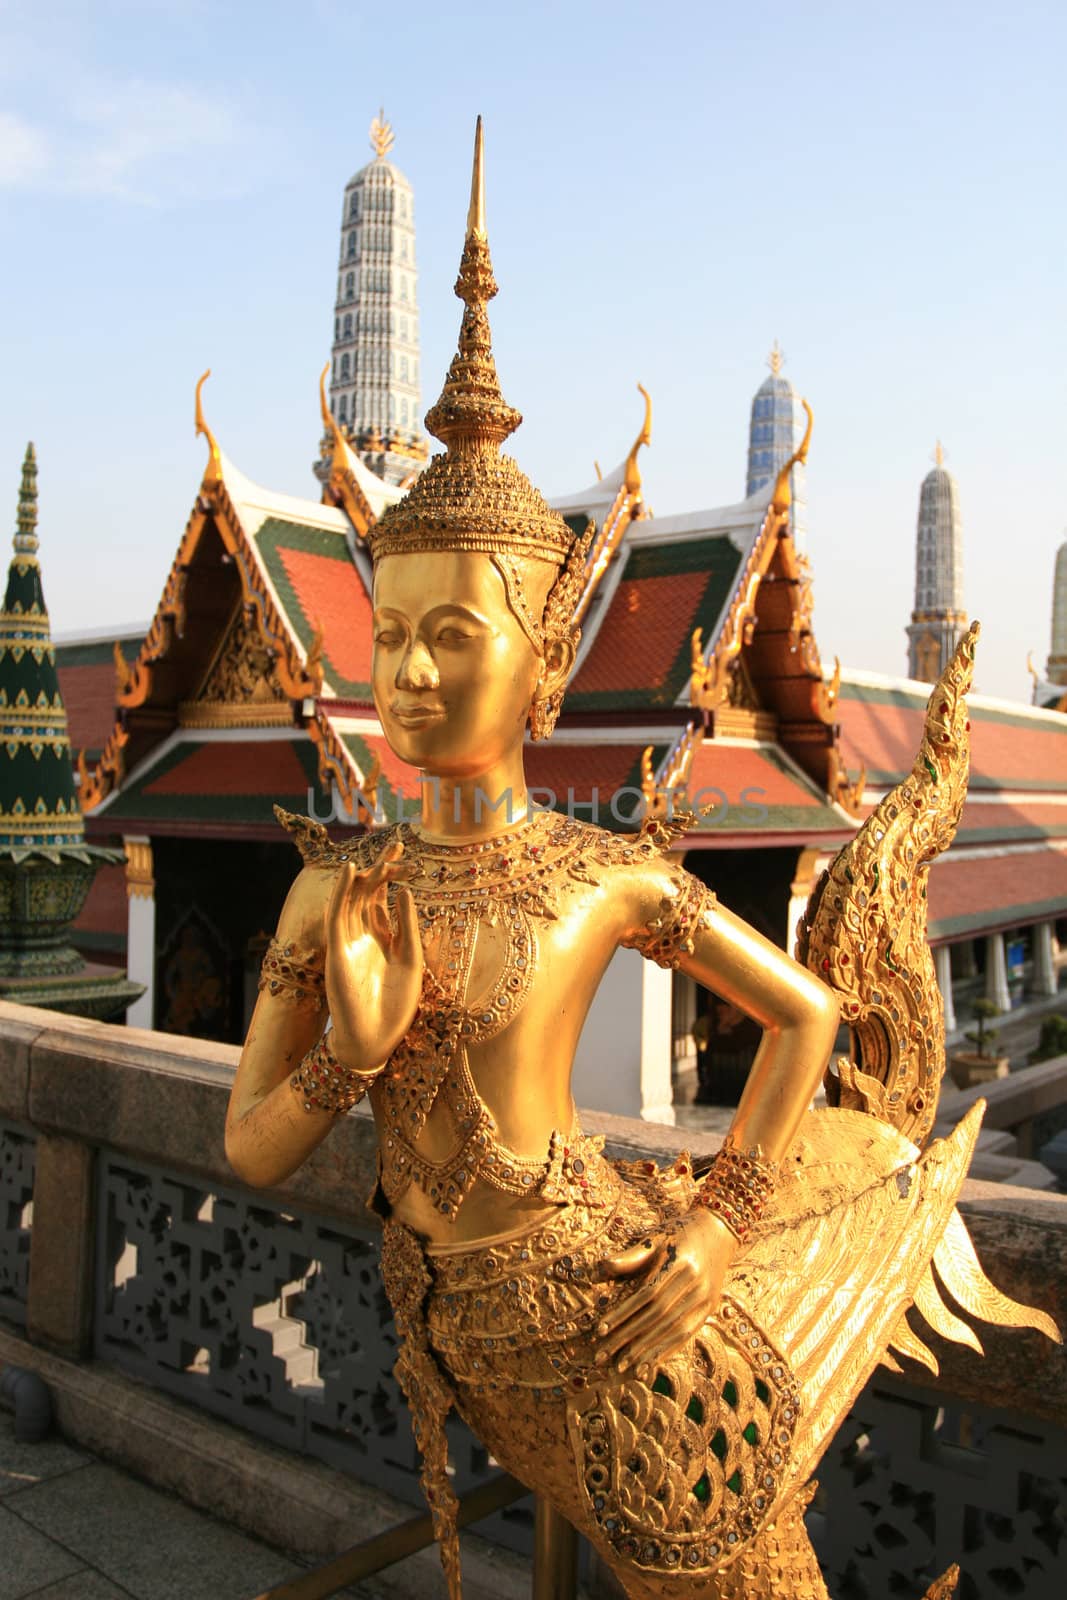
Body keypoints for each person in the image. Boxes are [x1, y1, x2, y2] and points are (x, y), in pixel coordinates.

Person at [226, 123, 1055, 1600]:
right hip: (465, 1331)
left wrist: (720, 1235)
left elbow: (803, 1015)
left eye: (453, 635)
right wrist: (354, 1059)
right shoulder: (335, 887)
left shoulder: (598, 875)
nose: (408, 672)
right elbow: (252, 1148)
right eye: (390, 636)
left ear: (543, 663)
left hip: (625, 1324)